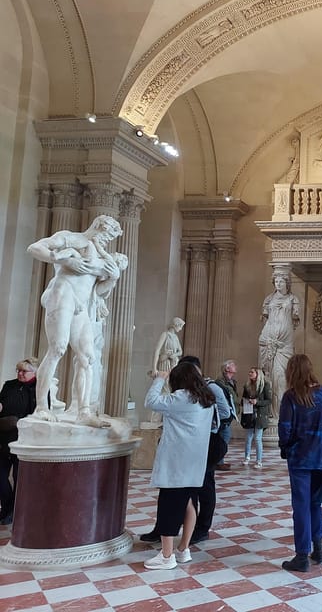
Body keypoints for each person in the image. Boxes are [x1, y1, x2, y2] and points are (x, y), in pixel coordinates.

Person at [26, 214, 123, 424]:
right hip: (63, 294)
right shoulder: (72, 239)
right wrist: (67, 260)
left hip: (82, 305)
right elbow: (34, 248)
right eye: (106, 235)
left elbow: (98, 291)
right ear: (97, 226)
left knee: (87, 357)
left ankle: (84, 411)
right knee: (58, 348)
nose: (107, 241)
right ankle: (41, 407)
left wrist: (113, 278)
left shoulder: (101, 256)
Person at [139, 355, 229, 546]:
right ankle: (183, 548)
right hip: (196, 456)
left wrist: (160, 379)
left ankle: (166, 555)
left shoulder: (181, 398)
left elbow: (151, 401)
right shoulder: (206, 398)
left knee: (170, 505)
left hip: (178, 460)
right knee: (189, 503)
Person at [279, 354, 322, 572]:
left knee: (301, 506)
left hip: (300, 457)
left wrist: (286, 446)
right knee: (314, 503)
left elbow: (285, 429)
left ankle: (302, 556)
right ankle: (319, 547)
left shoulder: (291, 397)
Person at [0, 358, 40, 524]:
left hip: (23, 439)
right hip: (3, 436)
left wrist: (17, 421)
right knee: (1, 477)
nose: (20, 374)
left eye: (24, 371)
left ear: (34, 372)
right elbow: (1, 402)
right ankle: (7, 508)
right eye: (18, 370)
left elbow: (39, 415)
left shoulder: (38, 389)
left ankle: (15, 512)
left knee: (19, 477)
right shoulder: (9, 385)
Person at [258, 272, 300, 417]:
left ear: (287, 283)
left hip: (284, 343)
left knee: (281, 377)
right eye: (276, 282)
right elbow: (265, 319)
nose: (278, 284)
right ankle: (270, 413)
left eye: (281, 282)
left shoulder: (293, 299)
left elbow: (295, 320)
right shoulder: (268, 299)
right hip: (267, 340)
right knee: (268, 375)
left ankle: (280, 412)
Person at [241, 367, 272, 469]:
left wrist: (257, 402)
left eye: (252, 372)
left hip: (260, 415)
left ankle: (259, 461)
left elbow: (269, 400)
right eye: (249, 371)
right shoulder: (247, 385)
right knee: (248, 437)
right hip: (249, 413)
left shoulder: (265, 385)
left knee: (258, 438)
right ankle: (247, 457)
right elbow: (243, 398)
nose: (249, 373)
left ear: (257, 374)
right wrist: (245, 402)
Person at [214, 360, 239, 470]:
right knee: (224, 437)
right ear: (227, 369)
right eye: (233, 366)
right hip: (223, 414)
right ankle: (218, 461)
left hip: (229, 413)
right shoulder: (220, 382)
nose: (235, 367)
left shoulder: (232, 381)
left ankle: (219, 460)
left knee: (223, 437)